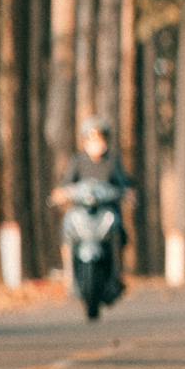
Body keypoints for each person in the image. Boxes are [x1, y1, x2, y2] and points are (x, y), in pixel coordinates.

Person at [51, 117, 133, 305]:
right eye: (92, 139)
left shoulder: (112, 161)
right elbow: (65, 184)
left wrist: (127, 193)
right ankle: (68, 274)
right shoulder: (78, 161)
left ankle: (118, 272)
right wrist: (61, 194)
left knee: (118, 232)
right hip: (82, 213)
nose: (96, 144)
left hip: (106, 212)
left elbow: (124, 183)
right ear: (85, 141)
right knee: (67, 230)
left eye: (100, 139)